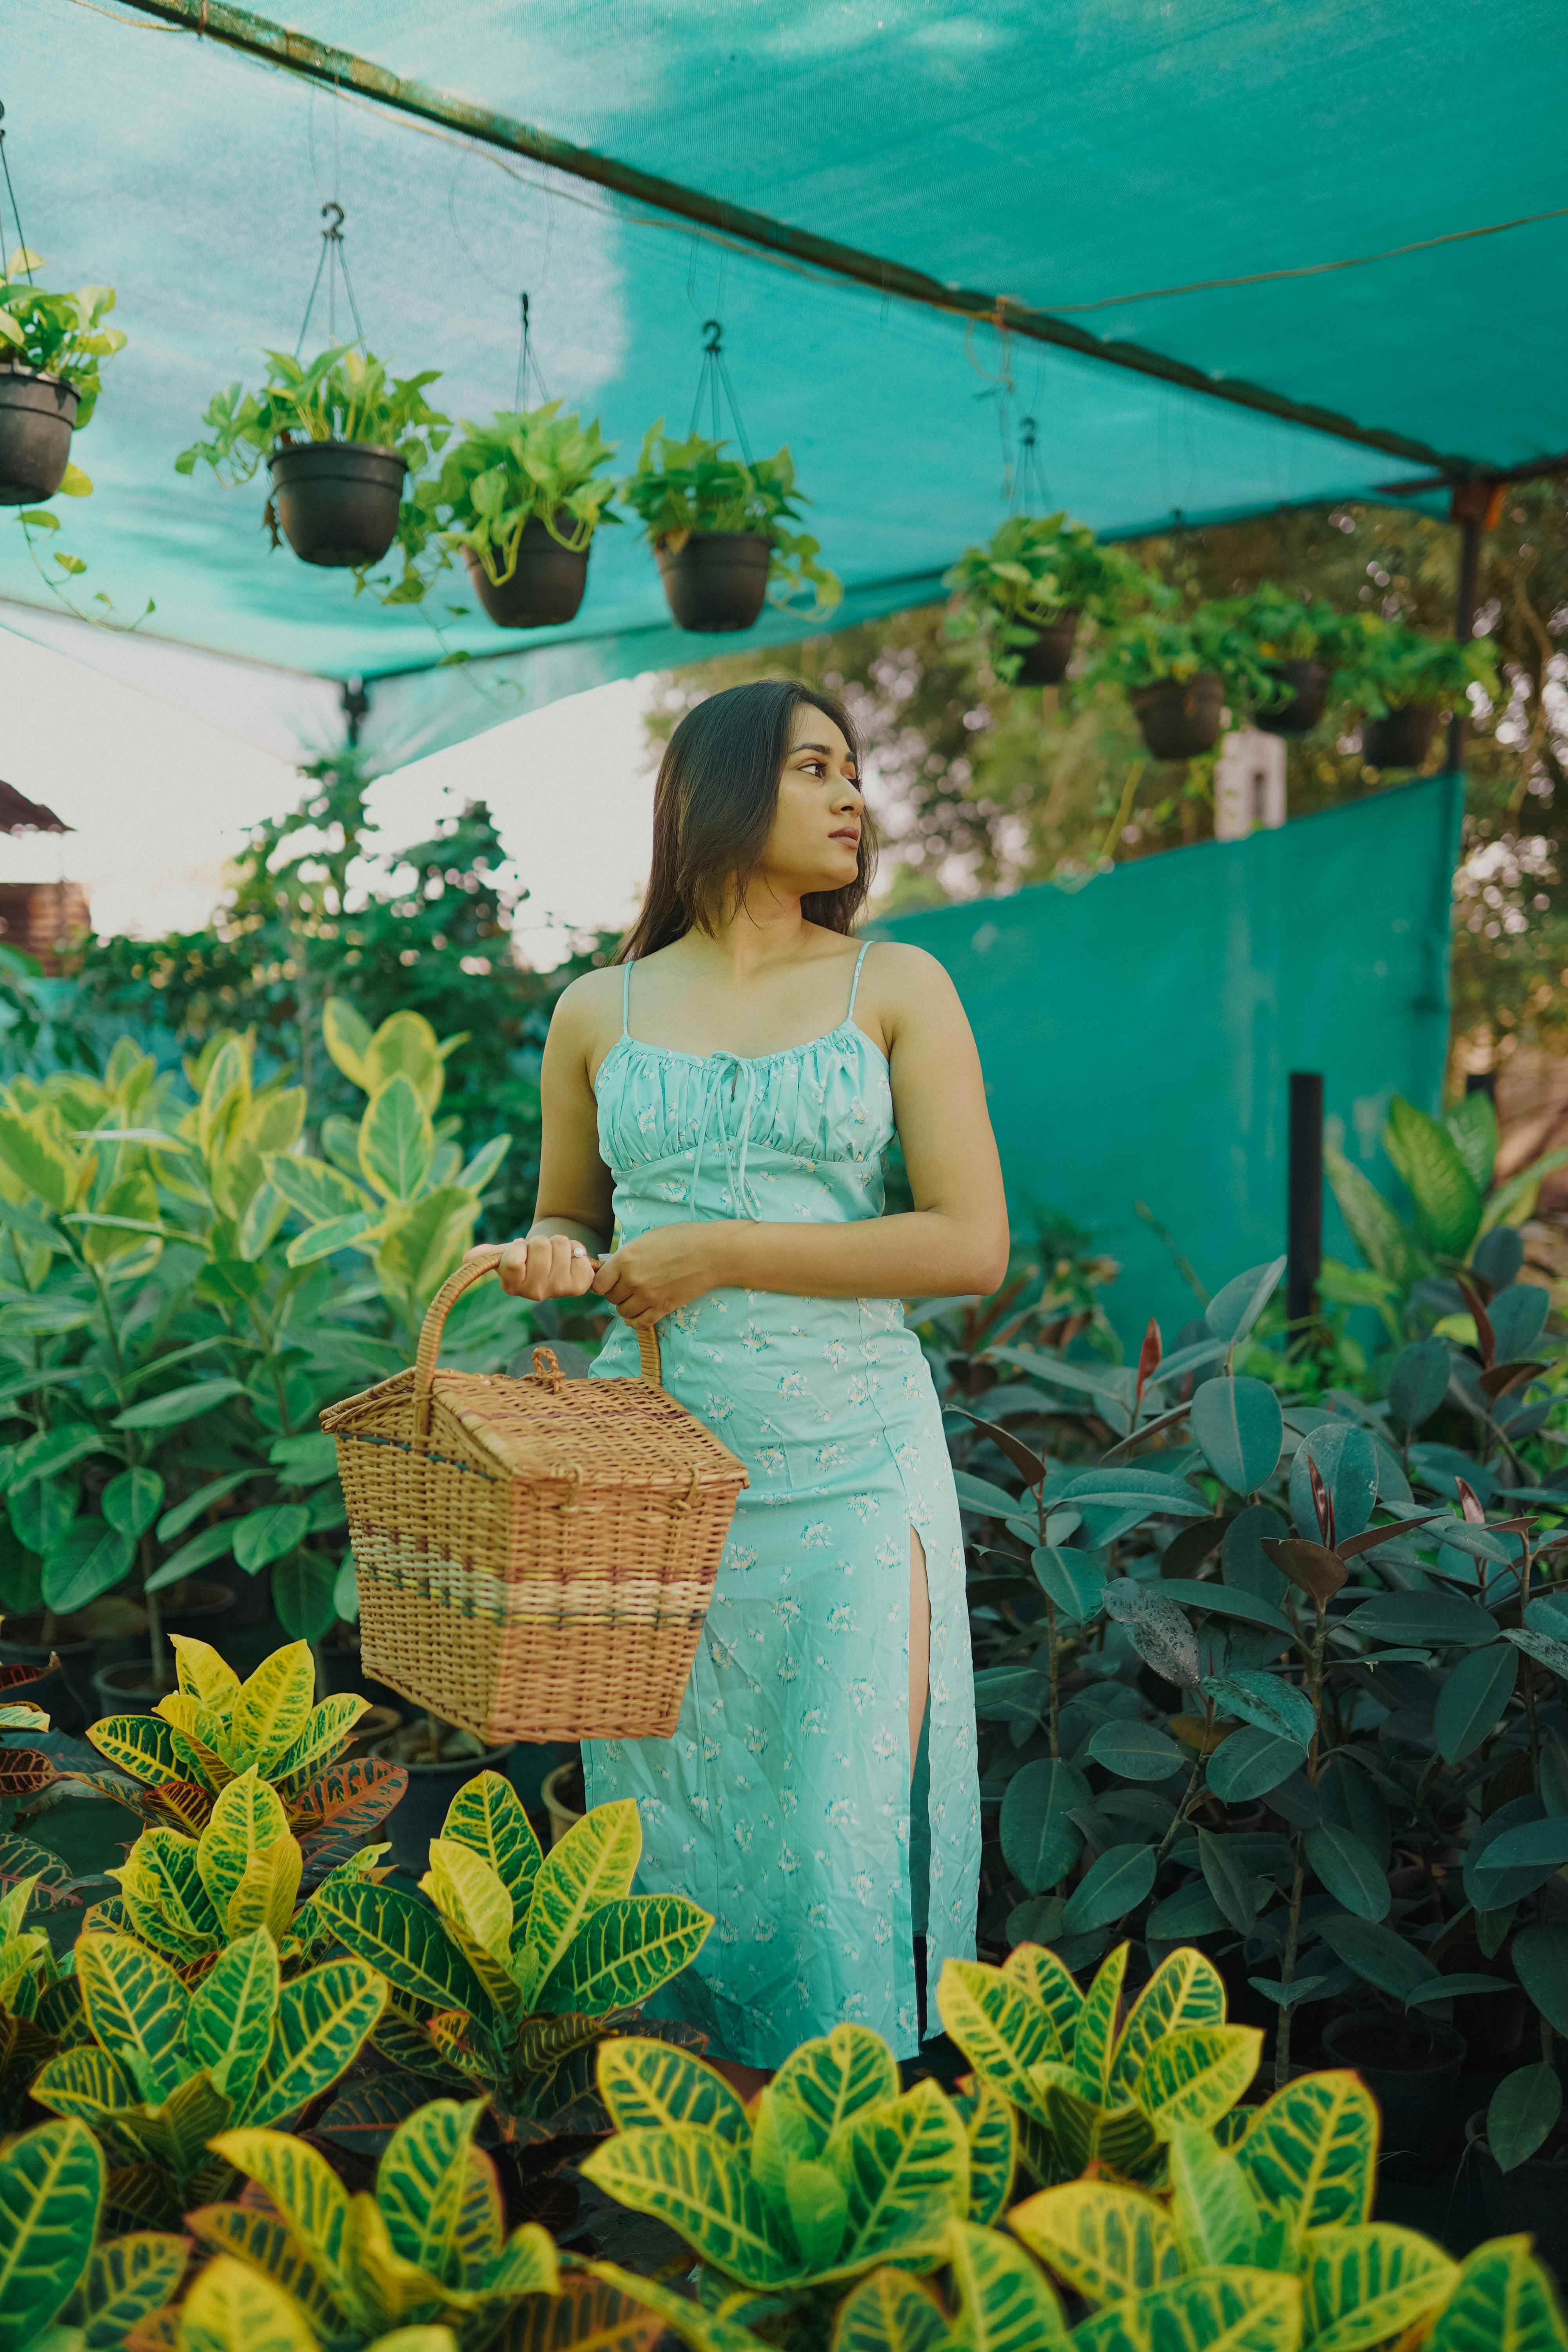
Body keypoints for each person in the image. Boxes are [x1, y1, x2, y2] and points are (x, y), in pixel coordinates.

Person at [495, 677, 1007, 2088]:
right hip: (656, 1484)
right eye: (816, 767)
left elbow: (969, 1245)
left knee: (831, 1839)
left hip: (854, 1469)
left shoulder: (895, 984)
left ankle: (844, 2188)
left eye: (857, 772)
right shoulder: (595, 1008)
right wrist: (550, 1256)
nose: (855, 797)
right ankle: (683, 2173)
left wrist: (717, 1249)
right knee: (672, 1835)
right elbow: (575, 1216)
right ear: (720, 788)